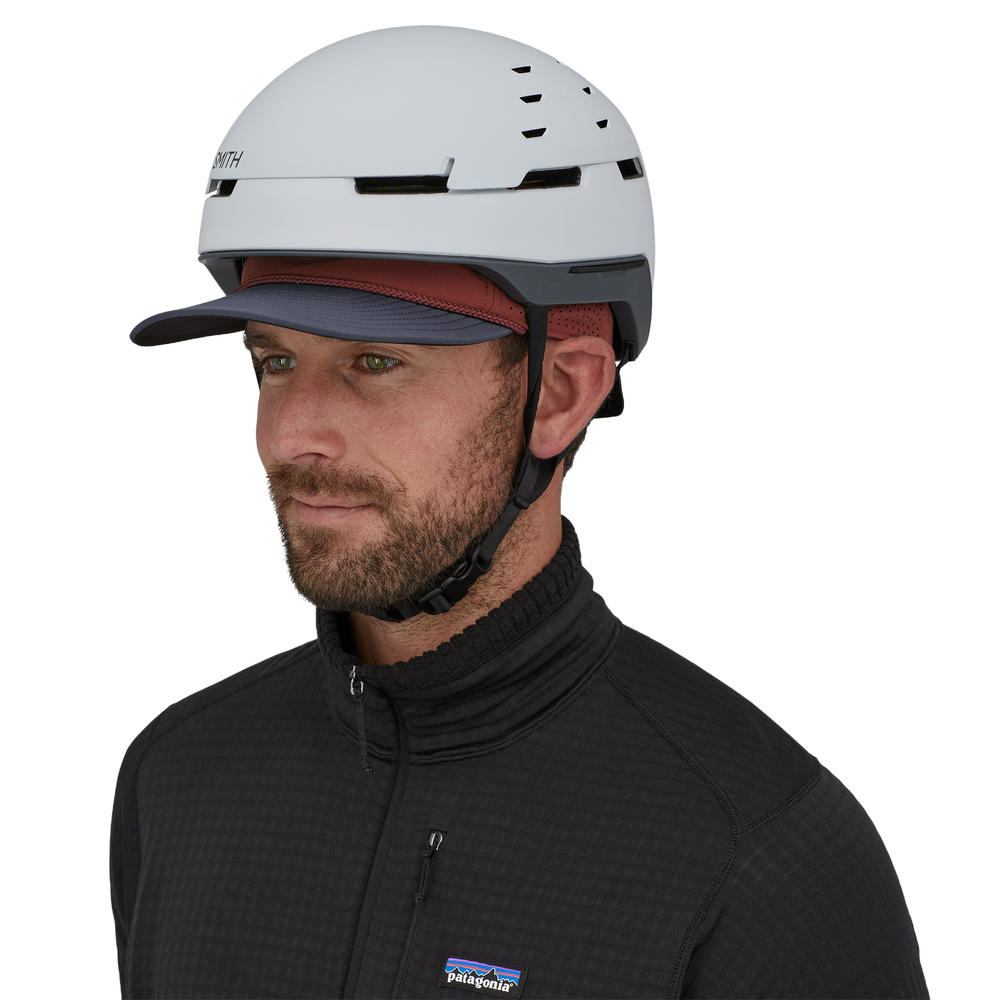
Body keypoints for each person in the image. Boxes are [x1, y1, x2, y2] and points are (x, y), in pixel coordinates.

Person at [109, 23, 932, 999]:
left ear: (559, 391)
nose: (292, 437)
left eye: (375, 362)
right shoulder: (180, 776)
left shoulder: (760, 852)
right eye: (274, 361)